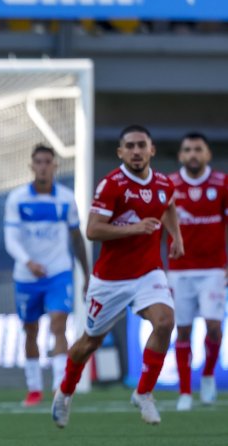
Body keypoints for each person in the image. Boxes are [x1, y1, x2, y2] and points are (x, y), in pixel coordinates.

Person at [52, 125, 183, 428]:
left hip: (149, 272)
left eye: (141, 145)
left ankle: (144, 392)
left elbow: (168, 205)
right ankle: (65, 392)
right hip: (110, 280)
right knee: (89, 343)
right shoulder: (111, 185)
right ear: (120, 152)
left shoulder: (164, 183)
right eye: (130, 146)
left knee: (165, 322)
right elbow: (92, 230)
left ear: (151, 150)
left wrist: (176, 236)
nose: (136, 151)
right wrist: (135, 228)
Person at [4, 144, 90, 407]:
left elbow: (77, 239)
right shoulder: (18, 199)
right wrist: (28, 261)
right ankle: (34, 389)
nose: (43, 166)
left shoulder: (65, 198)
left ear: (55, 166)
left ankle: (59, 389)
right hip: (26, 276)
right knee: (30, 331)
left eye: (47, 162)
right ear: (32, 166)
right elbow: (10, 238)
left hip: (58, 273)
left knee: (58, 325)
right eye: (38, 162)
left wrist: (88, 274)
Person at [167, 132, 227, 411]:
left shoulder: (222, 183)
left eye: (198, 149)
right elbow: (157, 228)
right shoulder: (169, 185)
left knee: (214, 328)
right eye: (187, 149)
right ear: (181, 155)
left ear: (207, 155)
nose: (192, 154)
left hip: (214, 268)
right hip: (179, 270)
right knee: (183, 330)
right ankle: (185, 392)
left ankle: (207, 377)